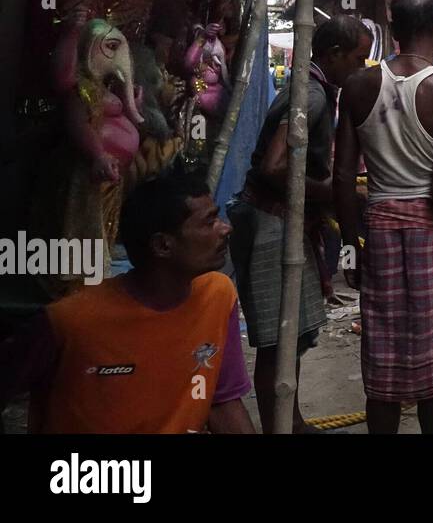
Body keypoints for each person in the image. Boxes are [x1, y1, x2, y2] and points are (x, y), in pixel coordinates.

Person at [0, 166, 254, 433]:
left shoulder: (217, 296)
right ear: (163, 246)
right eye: (209, 221)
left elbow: (221, 402)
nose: (225, 228)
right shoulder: (69, 322)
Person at [333, 0, 433, 434]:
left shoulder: (357, 86)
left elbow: (341, 177)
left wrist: (351, 244)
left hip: (378, 230)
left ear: (393, 29)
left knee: (383, 360)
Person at [227, 14, 370, 433]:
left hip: (279, 220)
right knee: (278, 340)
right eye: (359, 59)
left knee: (290, 336)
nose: (362, 68)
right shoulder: (312, 96)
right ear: (335, 54)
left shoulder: (311, 88)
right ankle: (281, 425)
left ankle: (290, 420)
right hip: (273, 223)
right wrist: (337, 191)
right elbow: (274, 167)